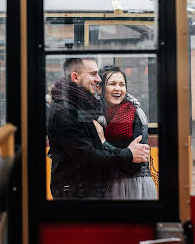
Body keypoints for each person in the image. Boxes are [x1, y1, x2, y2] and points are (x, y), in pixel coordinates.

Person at [47, 58, 150, 199]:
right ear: (75, 77)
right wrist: (128, 153)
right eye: (93, 74)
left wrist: (106, 145)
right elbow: (88, 156)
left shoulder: (85, 106)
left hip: (96, 189)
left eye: (122, 84)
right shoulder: (66, 111)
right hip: (76, 193)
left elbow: (135, 163)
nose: (97, 79)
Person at [96, 65, 157, 200]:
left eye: (121, 84)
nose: (118, 88)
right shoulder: (93, 116)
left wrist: (104, 143)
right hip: (104, 186)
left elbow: (135, 164)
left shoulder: (136, 114)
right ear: (99, 88)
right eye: (112, 84)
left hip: (134, 185)